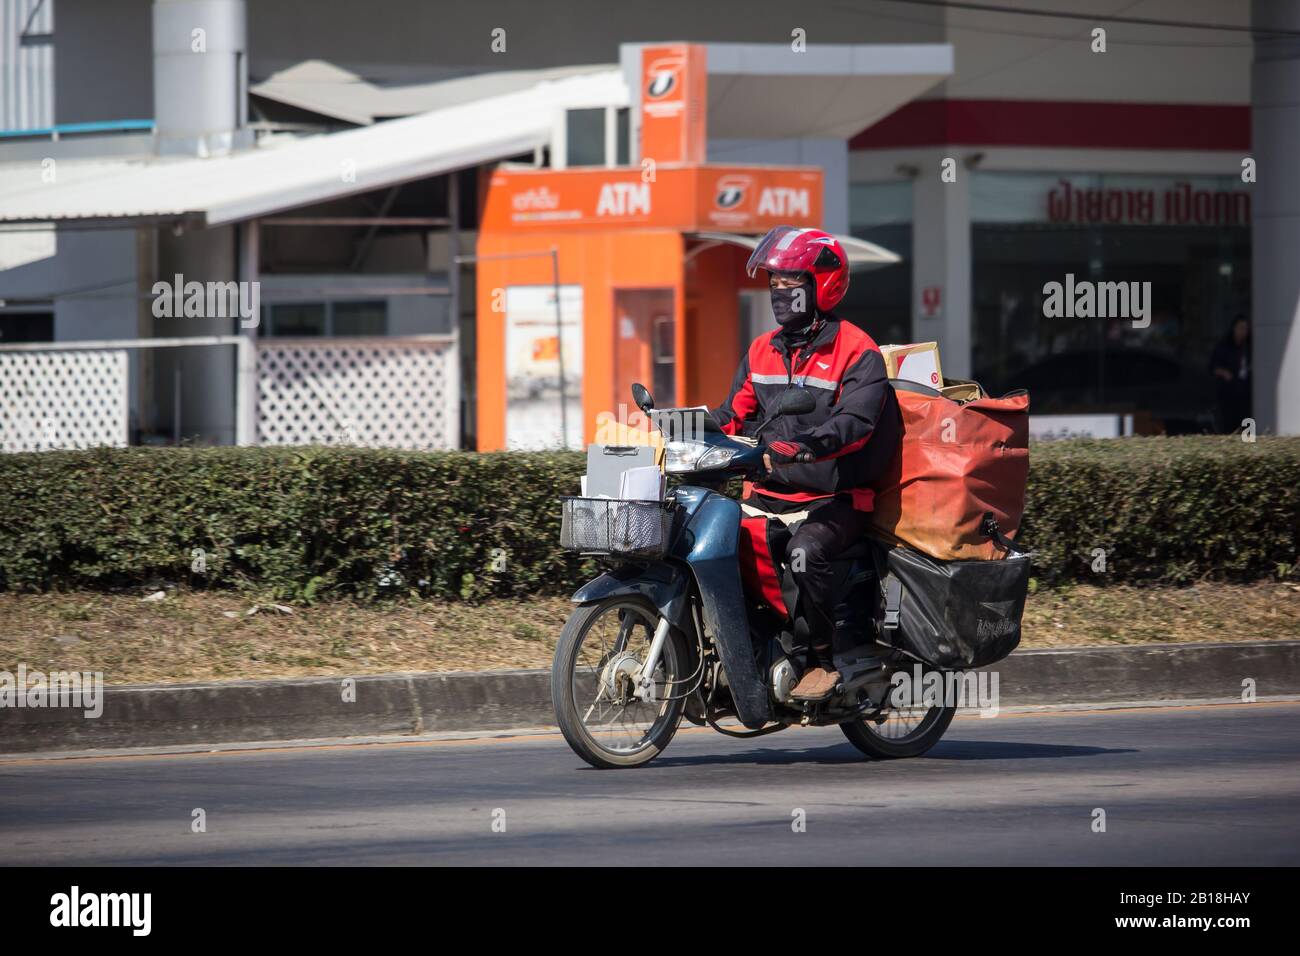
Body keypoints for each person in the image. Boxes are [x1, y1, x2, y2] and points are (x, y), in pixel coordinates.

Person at [710, 226, 900, 701]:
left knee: (804, 552)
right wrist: (680, 426)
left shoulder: (858, 351)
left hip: (833, 499)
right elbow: (735, 413)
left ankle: (821, 659)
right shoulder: (761, 349)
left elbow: (854, 423)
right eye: (773, 282)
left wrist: (803, 447)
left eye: (789, 282)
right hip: (766, 495)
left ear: (823, 284)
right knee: (708, 544)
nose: (779, 292)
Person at [1209, 315, 1251, 434]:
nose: (1243, 332)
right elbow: (1212, 367)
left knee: (1246, 420)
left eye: (1246, 329)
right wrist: (1225, 373)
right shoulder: (1224, 347)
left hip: (1245, 391)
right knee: (1228, 422)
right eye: (1241, 328)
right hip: (1228, 391)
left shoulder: (1249, 347)